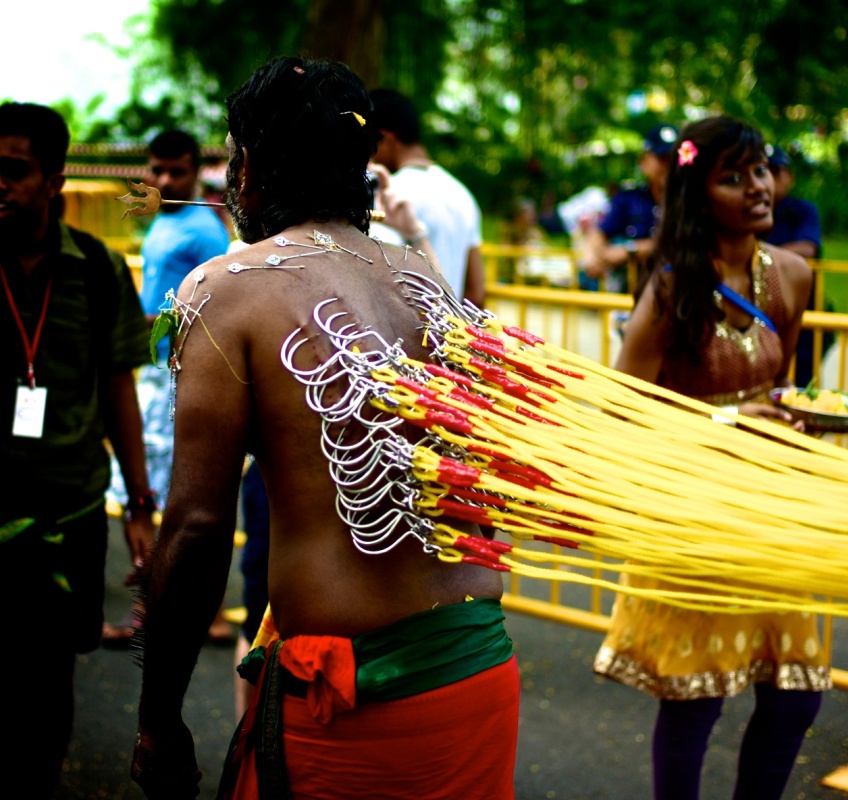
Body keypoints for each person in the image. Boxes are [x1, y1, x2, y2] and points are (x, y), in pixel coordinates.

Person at [131, 58, 517, 799]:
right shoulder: (422, 277)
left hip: (362, 702)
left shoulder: (227, 288)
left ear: (247, 171)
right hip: (478, 667)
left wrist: (159, 717)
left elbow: (197, 527)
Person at [592, 116, 829, 800]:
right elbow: (622, 410)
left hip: (773, 509)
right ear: (700, 196)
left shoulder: (792, 275)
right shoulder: (670, 292)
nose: (757, 188)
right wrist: (728, 422)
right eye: (733, 178)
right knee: (696, 699)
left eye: (759, 171)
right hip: (694, 514)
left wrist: (798, 418)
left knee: (795, 697)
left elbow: (782, 381)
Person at [0, 102, 155, 798]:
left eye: (15, 171)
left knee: (50, 675)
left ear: (56, 177)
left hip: (70, 513)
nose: (0, 186)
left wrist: (140, 504)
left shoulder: (94, 269)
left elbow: (119, 389)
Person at [103, 128, 232, 645]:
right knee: (149, 486)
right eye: (156, 170)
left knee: (173, 489)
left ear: (195, 173)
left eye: (175, 171)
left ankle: (191, 613)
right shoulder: (165, 217)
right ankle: (165, 606)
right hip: (151, 366)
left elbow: (213, 305)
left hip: (173, 369)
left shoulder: (204, 228)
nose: (162, 180)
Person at [367, 87, 485, 307]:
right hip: (449, 329)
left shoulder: (390, 196)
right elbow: (476, 291)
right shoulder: (462, 193)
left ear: (387, 138)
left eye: (371, 145)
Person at [581, 123, 677, 295]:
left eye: (674, 159)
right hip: (631, 295)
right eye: (662, 158)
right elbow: (600, 232)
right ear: (643, 161)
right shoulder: (630, 198)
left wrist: (631, 251)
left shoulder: (688, 202)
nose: (668, 166)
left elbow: (682, 244)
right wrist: (592, 256)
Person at [763, 142, 826, 387]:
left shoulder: (801, 210)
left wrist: (754, 256)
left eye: (773, 172)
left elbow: (808, 248)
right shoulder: (747, 207)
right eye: (761, 170)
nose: (767, 180)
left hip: (800, 311)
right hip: (757, 309)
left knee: (799, 379)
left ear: (789, 176)